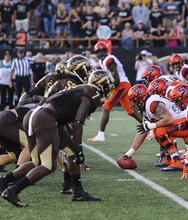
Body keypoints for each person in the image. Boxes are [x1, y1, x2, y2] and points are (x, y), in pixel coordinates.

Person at [0, 70, 114, 207]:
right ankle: (13, 191)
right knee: (48, 165)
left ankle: (77, 191)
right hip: (46, 117)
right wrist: (79, 147)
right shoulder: (93, 93)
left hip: (35, 114)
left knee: (59, 155)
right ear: (103, 85)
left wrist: (75, 148)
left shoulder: (80, 88)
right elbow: (78, 123)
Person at [88, 42, 142, 142]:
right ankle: (150, 129)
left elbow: (116, 78)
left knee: (105, 106)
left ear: (106, 51)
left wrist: (110, 90)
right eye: (98, 52)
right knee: (131, 110)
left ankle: (101, 135)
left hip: (121, 84)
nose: (100, 53)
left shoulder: (109, 59)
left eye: (102, 51)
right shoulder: (102, 61)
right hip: (123, 84)